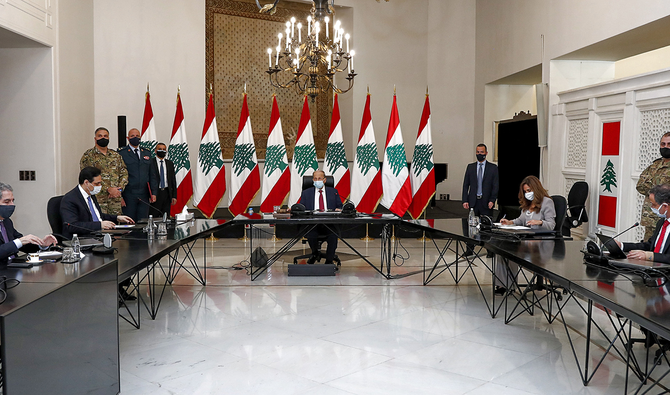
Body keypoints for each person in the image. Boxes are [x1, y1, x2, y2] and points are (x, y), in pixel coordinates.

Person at [497, 175, 556, 294]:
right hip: (526, 240)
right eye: (525, 191)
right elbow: (521, 220)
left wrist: (539, 222)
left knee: (511, 253)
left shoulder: (547, 202)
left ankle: (508, 285)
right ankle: (504, 285)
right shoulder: (527, 204)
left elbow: (551, 225)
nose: (527, 193)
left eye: (529, 190)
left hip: (541, 243)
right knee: (503, 251)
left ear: (536, 188)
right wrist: (510, 222)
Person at [60, 167, 135, 240]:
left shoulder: (91, 194)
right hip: (83, 239)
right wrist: (100, 225)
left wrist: (116, 218)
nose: (100, 186)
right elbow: (72, 225)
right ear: (86, 182)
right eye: (97, 184)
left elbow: (97, 216)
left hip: (99, 235)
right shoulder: (70, 199)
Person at [0, 182, 56, 264]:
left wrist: (42, 245)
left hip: (13, 266)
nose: (12, 205)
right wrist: (20, 241)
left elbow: (23, 244)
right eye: (7, 202)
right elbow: (17, 242)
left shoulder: (7, 221)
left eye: (12, 201)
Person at [616, 184, 670, 263]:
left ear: (665, 206)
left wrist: (648, 256)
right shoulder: (661, 222)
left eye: (654, 205)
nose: (651, 207)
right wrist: (622, 246)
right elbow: (649, 245)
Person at [80, 127, 128, 215]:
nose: (103, 138)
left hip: (115, 199)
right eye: (100, 136)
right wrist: (108, 189)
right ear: (95, 139)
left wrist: (118, 190)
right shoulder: (88, 156)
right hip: (98, 199)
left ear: (109, 138)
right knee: (101, 225)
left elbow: (124, 173)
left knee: (116, 225)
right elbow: (87, 177)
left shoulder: (116, 155)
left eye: (105, 136)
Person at [299, 170, 343, 265]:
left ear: (325, 180)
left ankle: (329, 261)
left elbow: (340, 206)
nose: (317, 180)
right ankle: (315, 253)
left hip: (329, 222)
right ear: (312, 180)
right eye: (315, 179)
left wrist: (339, 209)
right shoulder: (306, 193)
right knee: (311, 234)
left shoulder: (333, 192)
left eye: (319, 178)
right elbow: (301, 207)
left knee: (333, 236)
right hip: (312, 223)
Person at [118, 128, 157, 221]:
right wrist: (120, 197)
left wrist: (153, 193)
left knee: (143, 222)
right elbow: (118, 176)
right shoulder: (121, 153)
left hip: (144, 194)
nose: (135, 138)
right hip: (128, 194)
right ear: (128, 138)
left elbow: (152, 174)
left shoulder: (146, 152)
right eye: (132, 136)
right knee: (129, 222)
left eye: (137, 136)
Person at [637, 133, 670, 241]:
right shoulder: (654, 165)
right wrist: (659, 190)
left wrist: (653, 188)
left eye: (669, 144)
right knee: (647, 248)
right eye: (663, 144)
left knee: (663, 250)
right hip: (650, 218)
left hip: (666, 218)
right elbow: (640, 185)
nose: (666, 147)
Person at [462, 143, 499, 217]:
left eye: (482, 152)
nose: (479, 154)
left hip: (486, 202)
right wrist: (465, 200)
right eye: (478, 152)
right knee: (472, 224)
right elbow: (465, 185)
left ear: (486, 153)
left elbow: (495, 186)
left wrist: (492, 200)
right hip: (473, 202)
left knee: (486, 225)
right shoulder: (470, 167)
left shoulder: (493, 168)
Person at [150, 143, 177, 217]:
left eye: (164, 149)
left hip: (166, 193)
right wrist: (150, 194)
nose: (162, 151)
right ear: (155, 151)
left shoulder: (170, 163)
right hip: (155, 193)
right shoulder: (150, 163)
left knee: (165, 216)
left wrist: (174, 196)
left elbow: (173, 180)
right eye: (160, 149)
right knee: (154, 215)